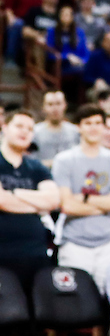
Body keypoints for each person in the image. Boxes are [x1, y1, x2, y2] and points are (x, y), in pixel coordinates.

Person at [53, 104, 110, 290]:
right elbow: (68, 206)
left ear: (104, 127)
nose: (94, 127)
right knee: (77, 302)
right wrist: (108, 201)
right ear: (78, 127)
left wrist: (85, 198)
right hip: (74, 243)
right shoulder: (64, 160)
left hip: (109, 242)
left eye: (98, 123)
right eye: (88, 123)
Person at [0, 109, 59, 292]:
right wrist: (37, 204)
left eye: (30, 128)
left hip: (36, 253)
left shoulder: (37, 167)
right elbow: (2, 201)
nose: (24, 132)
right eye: (19, 126)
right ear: (4, 127)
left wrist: (14, 192)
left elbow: (53, 200)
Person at [33, 90, 77, 168]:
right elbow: (30, 162)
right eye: (50, 104)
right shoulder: (34, 132)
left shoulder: (75, 131)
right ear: (43, 107)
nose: (55, 108)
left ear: (65, 105)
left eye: (58, 103)